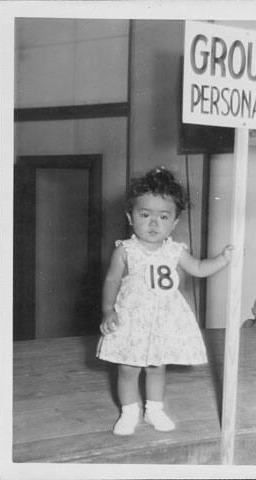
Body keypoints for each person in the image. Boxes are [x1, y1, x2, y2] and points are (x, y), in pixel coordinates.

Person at [97, 167, 233, 435]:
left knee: (157, 366)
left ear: (174, 222)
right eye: (144, 215)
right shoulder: (125, 250)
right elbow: (112, 281)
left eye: (163, 217)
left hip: (163, 320)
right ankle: (129, 411)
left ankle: (154, 410)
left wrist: (224, 259)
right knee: (128, 367)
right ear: (130, 216)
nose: (153, 223)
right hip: (132, 319)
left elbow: (199, 268)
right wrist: (107, 310)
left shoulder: (175, 251)